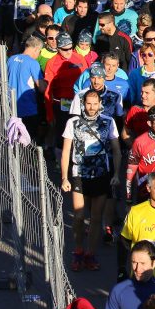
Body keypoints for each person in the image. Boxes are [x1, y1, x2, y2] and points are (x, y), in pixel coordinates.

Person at [61, 88, 123, 272]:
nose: (91, 107)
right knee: (79, 216)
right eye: (88, 103)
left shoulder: (108, 121)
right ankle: (78, 250)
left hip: (101, 174)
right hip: (79, 173)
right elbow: (66, 151)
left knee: (96, 218)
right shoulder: (73, 122)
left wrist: (116, 174)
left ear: (100, 105)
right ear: (83, 104)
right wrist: (64, 177)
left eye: (95, 103)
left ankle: (90, 254)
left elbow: (117, 150)